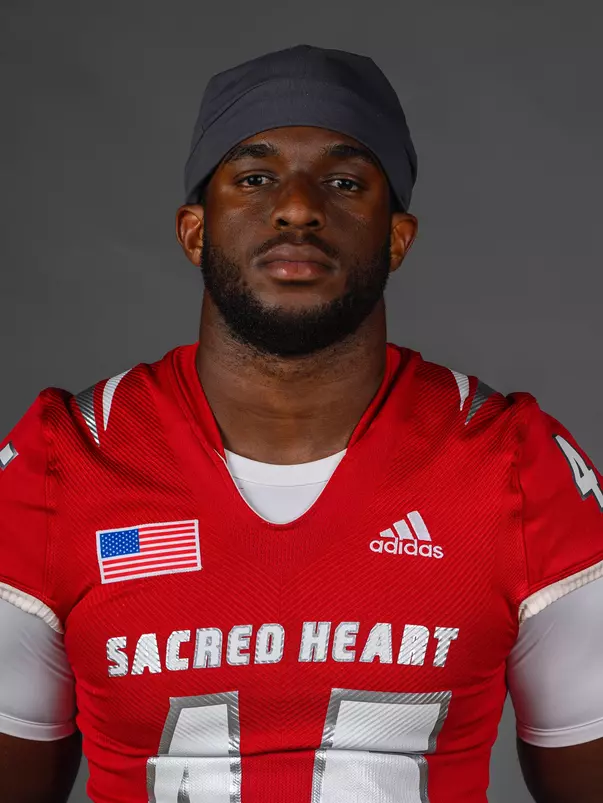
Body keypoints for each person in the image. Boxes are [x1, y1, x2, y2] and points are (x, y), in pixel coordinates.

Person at [0, 43, 602, 803]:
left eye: (344, 182)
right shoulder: (63, 460)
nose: (296, 206)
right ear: (194, 230)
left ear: (396, 237)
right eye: (254, 178)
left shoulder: (514, 463)